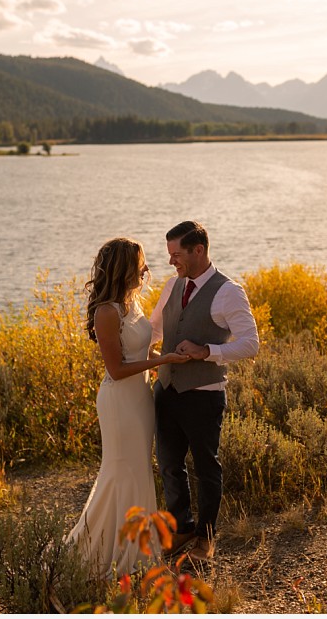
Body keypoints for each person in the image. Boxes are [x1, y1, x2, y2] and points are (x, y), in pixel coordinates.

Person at [68, 237, 189, 578]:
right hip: (120, 402)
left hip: (141, 398)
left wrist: (166, 360)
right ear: (124, 269)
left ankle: (139, 548)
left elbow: (139, 354)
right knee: (120, 472)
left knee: (138, 471)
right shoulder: (107, 312)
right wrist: (163, 359)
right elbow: (117, 369)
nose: (146, 270)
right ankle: (106, 551)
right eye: (140, 265)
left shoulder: (131, 304)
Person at [149, 221, 260, 564]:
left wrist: (207, 351)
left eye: (176, 254)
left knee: (205, 467)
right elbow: (153, 331)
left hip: (204, 393)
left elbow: (250, 344)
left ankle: (206, 539)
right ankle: (182, 528)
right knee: (169, 464)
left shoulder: (229, 291)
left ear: (199, 250)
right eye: (169, 255)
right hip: (166, 389)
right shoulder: (171, 286)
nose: (171, 262)